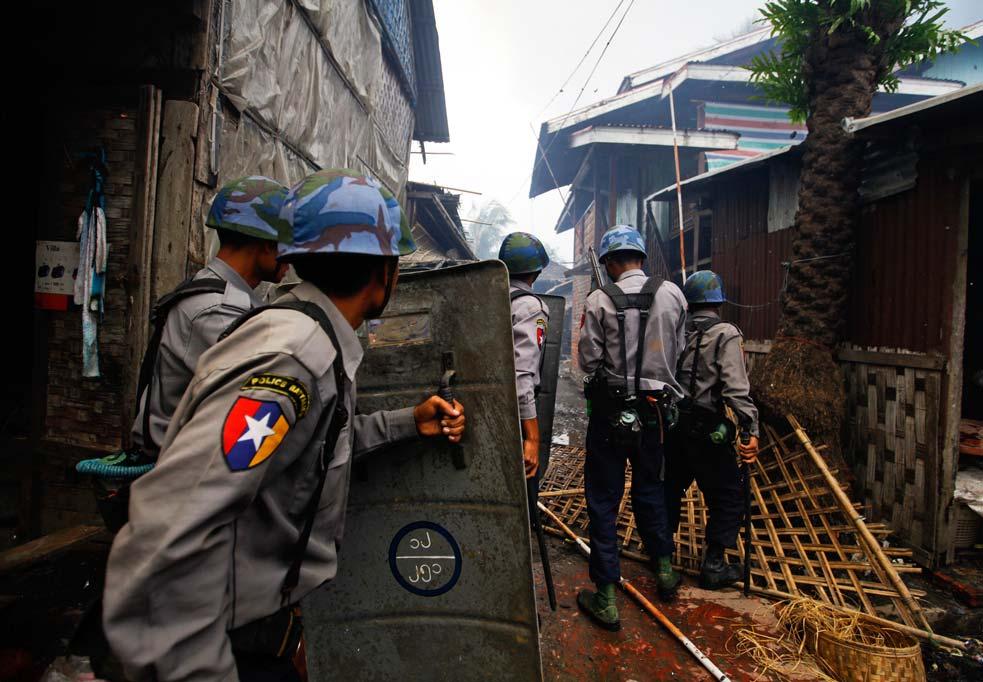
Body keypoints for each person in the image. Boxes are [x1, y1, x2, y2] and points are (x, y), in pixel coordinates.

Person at [102, 169, 467, 681]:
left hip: (262, 632)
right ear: (386, 272)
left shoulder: (308, 334)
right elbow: (167, 533)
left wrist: (409, 422)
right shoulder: (296, 357)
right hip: (226, 644)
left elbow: (309, 448)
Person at [132, 176, 292, 462]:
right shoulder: (217, 309)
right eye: (287, 244)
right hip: (178, 473)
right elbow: (262, 402)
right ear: (267, 244)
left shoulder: (214, 290)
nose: (291, 259)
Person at [576, 225, 688, 631]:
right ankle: (664, 572)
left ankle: (606, 597)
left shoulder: (599, 299)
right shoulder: (674, 294)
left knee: (604, 500)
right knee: (651, 490)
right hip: (656, 411)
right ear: (641, 256)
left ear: (608, 262)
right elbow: (679, 348)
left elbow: (588, 362)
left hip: (610, 413)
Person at [666, 270, 759, 590]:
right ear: (719, 301)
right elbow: (735, 390)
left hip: (674, 425)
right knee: (729, 496)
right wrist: (751, 426)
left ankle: (663, 557)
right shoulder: (726, 334)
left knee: (669, 489)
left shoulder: (675, 329)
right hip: (707, 430)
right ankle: (715, 564)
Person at [498, 231, 551, 479]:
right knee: (523, 490)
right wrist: (532, 437)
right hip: (516, 416)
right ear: (536, 272)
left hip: (491, 407)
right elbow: (521, 375)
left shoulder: (492, 298)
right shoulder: (530, 306)